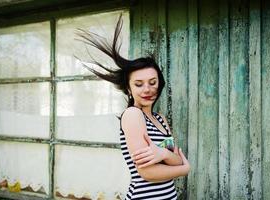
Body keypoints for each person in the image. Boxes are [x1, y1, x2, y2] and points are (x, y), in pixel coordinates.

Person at [75, 13, 190, 200]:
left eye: (153, 82)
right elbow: (148, 173)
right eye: (139, 84)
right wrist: (183, 168)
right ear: (128, 88)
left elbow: (174, 157)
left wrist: (162, 153)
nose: (147, 89)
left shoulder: (161, 119)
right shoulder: (132, 115)